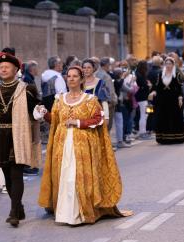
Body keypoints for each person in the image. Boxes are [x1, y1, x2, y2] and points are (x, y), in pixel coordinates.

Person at [37, 66, 132, 225]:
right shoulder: (59, 99)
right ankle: (65, 213)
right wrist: (43, 113)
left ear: (81, 80)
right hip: (62, 145)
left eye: (75, 76)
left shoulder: (90, 100)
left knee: (77, 177)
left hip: (83, 146)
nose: (71, 79)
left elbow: (99, 120)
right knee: (65, 177)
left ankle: (82, 212)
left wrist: (79, 122)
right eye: (69, 76)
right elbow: (55, 121)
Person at [0, 52, 41, 227]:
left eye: (7, 67)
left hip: (18, 136)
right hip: (0, 137)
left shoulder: (27, 88)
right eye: (1, 67)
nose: (4, 69)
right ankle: (19, 206)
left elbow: (36, 108)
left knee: (16, 174)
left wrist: (40, 112)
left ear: (16, 69)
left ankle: (14, 212)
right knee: (6, 174)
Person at [149, 57, 184, 145]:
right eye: (167, 64)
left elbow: (179, 88)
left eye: (170, 64)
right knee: (163, 118)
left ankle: (176, 138)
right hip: (162, 101)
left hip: (173, 101)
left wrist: (180, 98)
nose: (168, 65)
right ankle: (163, 138)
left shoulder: (177, 75)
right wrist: (153, 92)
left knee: (174, 118)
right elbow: (157, 87)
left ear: (173, 65)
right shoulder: (160, 74)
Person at [82, 58, 111, 126]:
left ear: (93, 69)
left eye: (89, 67)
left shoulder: (100, 83)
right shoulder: (79, 83)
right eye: (84, 68)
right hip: (81, 116)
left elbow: (104, 101)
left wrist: (106, 117)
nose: (86, 70)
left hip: (95, 116)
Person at [97, 57, 118, 131]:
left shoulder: (95, 74)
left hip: (97, 105)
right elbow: (111, 92)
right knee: (106, 128)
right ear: (107, 65)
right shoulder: (106, 76)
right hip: (107, 105)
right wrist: (114, 102)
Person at [135, 60, 152, 139]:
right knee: (144, 115)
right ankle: (142, 132)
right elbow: (144, 85)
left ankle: (143, 131)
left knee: (146, 114)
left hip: (143, 97)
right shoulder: (140, 75)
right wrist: (148, 85)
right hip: (142, 97)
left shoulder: (139, 74)